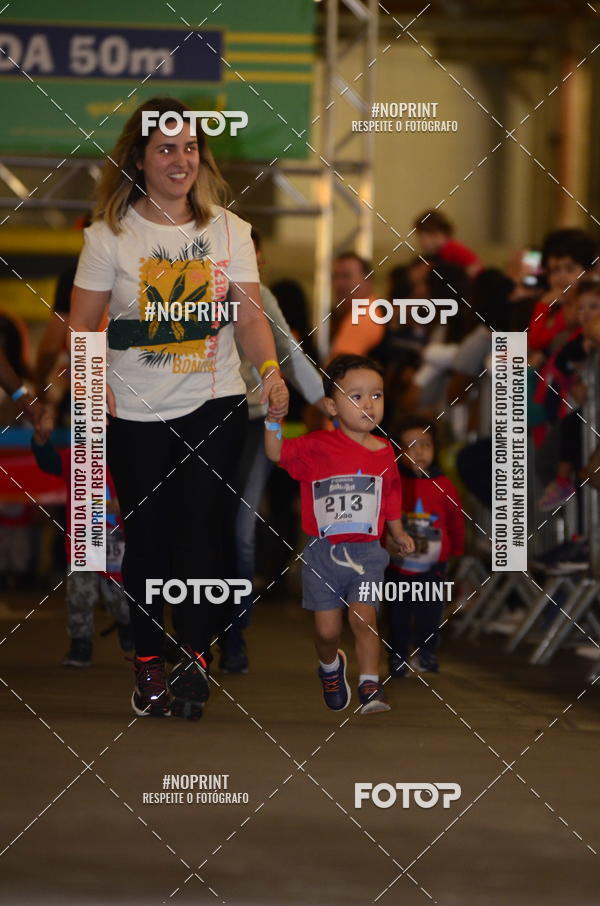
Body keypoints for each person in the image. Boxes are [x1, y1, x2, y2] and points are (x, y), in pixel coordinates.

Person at [69, 96, 289, 719]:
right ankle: (147, 660)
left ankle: (195, 654)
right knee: (150, 537)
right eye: (166, 148)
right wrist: (90, 382)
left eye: (190, 148)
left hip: (213, 399)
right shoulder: (107, 236)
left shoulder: (229, 230)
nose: (180, 159)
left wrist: (269, 372)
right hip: (132, 409)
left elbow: (249, 317)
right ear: (140, 157)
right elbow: (83, 323)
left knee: (200, 530)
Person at [264, 354, 414, 715]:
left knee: (364, 618)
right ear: (331, 405)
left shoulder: (385, 452)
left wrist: (397, 532)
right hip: (323, 554)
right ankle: (331, 668)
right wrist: (273, 420)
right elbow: (276, 453)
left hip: (367, 554)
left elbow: (391, 496)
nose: (368, 405)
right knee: (327, 633)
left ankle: (370, 684)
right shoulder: (316, 446)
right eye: (356, 396)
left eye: (376, 396)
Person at [221, 228, 326, 674]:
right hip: (197, 421)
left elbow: (290, 349)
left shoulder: (260, 295)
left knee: (242, 531)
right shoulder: (190, 288)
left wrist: (329, 401)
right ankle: (192, 632)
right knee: (197, 527)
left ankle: (233, 635)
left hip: (251, 422)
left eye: (251, 254)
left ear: (258, 260)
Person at [30, 410, 132, 667]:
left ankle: (128, 625)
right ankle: (80, 644)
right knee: (79, 593)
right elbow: (49, 462)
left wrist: (124, 505)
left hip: (117, 542)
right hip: (84, 540)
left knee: (120, 597)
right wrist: (41, 441)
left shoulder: (130, 459)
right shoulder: (77, 458)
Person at [384, 417, 464, 676]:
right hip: (397, 565)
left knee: (430, 612)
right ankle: (398, 656)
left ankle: (426, 653)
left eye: (426, 445)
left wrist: (457, 550)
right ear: (398, 451)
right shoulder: (392, 483)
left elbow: (455, 520)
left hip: (434, 565)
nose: (419, 452)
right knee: (397, 613)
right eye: (411, 446)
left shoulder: (445, 485)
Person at [329, 252, 384, 358]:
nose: (339, 284)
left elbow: (338, 368)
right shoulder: (366, 310)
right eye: (335, 277)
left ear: (368, 279)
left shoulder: (362, 315)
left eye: (346, 276)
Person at [413, 210, 481, 276]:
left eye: (422, 237)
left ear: (436, 235)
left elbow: (475, 267)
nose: (420, 242)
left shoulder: (450, 248)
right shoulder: (441, 251)